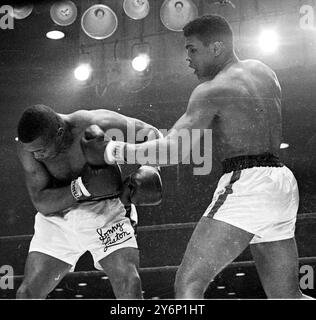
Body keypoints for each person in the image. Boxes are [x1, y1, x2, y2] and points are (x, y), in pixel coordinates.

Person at [82, 15, 311, 299]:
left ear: (216, 48)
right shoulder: (265, 72)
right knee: (288, 297)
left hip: (248, 183)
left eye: (192, 49)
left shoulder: (211, 90)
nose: (188, 59)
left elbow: (172, 150)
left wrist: (111, 150)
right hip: (282, 185)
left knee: (188, 285)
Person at [16, 104, 163, 299]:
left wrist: (150, 169)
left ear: (59, 133)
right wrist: (83, 187)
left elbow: (152, 135)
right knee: (27, 294)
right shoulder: (29, 147)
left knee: (129, 283)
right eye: (32, 151)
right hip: (58, 217)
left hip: (106, 212)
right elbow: (41, 202)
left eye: (41, 150)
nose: (36, 156)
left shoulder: (95, 123)